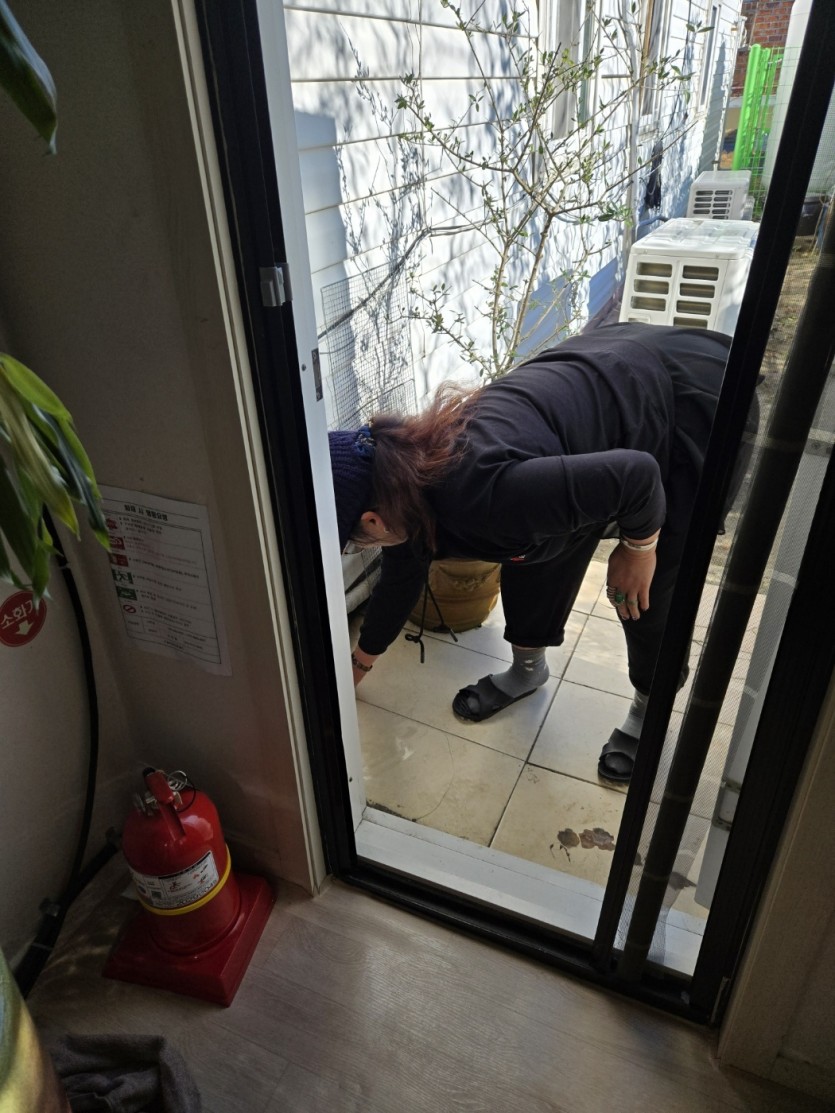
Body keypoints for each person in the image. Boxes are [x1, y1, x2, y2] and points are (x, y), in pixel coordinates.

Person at [328, 322, 756, 783]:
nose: (361, 548)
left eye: (355, 542)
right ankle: (528, 671)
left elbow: (637, 477)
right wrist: (359, 665)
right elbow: (399, 579)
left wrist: (638, 549)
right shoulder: (401, 484)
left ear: (373, 522)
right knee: (530, 557)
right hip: (604, 384)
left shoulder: (488, 495)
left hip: (688, 395)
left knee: (647, 592)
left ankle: (649, 708)